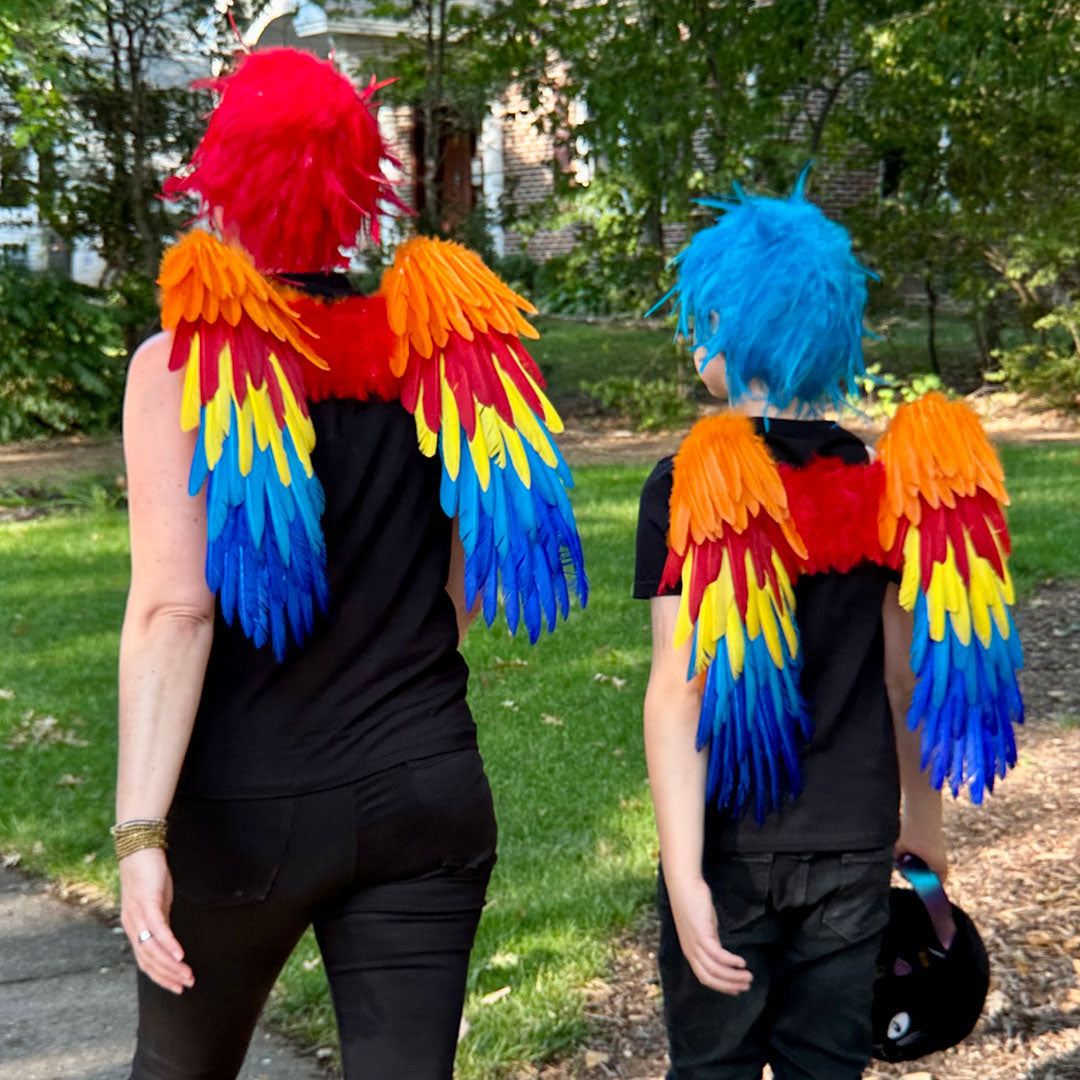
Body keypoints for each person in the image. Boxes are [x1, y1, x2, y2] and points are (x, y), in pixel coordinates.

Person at [114, 47, 586, 1080]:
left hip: (245, 806)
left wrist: (138, 835)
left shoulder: (181, 367)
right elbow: (457, 596)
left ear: (223, 179)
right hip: (426, 790)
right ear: (356, 185)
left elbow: (175, 614)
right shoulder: (443, 350)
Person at [634, 175, 1022, 1079]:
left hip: (730, 843)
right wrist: (922, 831)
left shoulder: (691, 485)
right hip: (852, 840)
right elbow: (905, 678)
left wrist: (684, 873)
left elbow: (678, 687)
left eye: (704, 320)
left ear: (730, 332)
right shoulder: (889, 489)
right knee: (825, 1064)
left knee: (713, 1067)